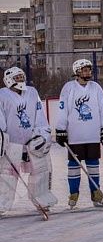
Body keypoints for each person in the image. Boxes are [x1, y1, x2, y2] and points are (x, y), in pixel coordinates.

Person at [0, 67, 56, 213]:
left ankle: (42, 201)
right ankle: (2, 204)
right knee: (7, 175)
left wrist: (43, 135)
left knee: (41, 170)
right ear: (8, 79)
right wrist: (1, 139)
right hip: (12, 143)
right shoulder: (2, 95)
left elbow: (40, 116)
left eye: (21, 77)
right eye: (17, 77)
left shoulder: (32, 92)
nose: (21, 80)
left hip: (32, 141)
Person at [55, 59, 103, 207]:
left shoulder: (96, 87)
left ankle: (96, 194)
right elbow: (62, 109)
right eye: (85, 70)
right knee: (73, 165)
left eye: (89, 70)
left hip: (92, 134)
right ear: (77, 72)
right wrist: (61, 128)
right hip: (75, 135)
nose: (88, 72)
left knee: (93, 164)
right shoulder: (68, 88)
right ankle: (74, 194)